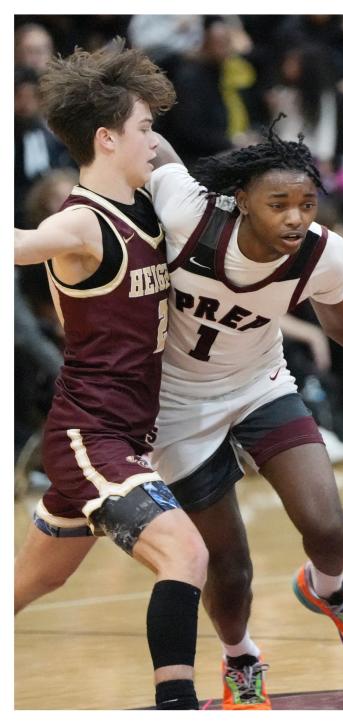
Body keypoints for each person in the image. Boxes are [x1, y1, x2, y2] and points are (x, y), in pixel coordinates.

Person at [141, 124, 343, 709]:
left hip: (260, 385)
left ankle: (328, 589)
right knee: (232, 569)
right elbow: (158, 151)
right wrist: (132, 110)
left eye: (307, 203)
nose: (296, 217)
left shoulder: (324, 252)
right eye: (279, 204)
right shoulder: (190, 214)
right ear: (242, 200)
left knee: (329, 525)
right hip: (178, 408)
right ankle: (241, 656)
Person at [12, 43, 208, 710]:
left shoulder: (150, 208)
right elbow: (17, 244)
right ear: (107, 138)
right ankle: (175, 703)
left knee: (27, 584)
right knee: (184, 552)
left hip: (127, 434)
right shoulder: (80, 222)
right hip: (89, 435)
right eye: (145, 128)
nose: (155, 140)